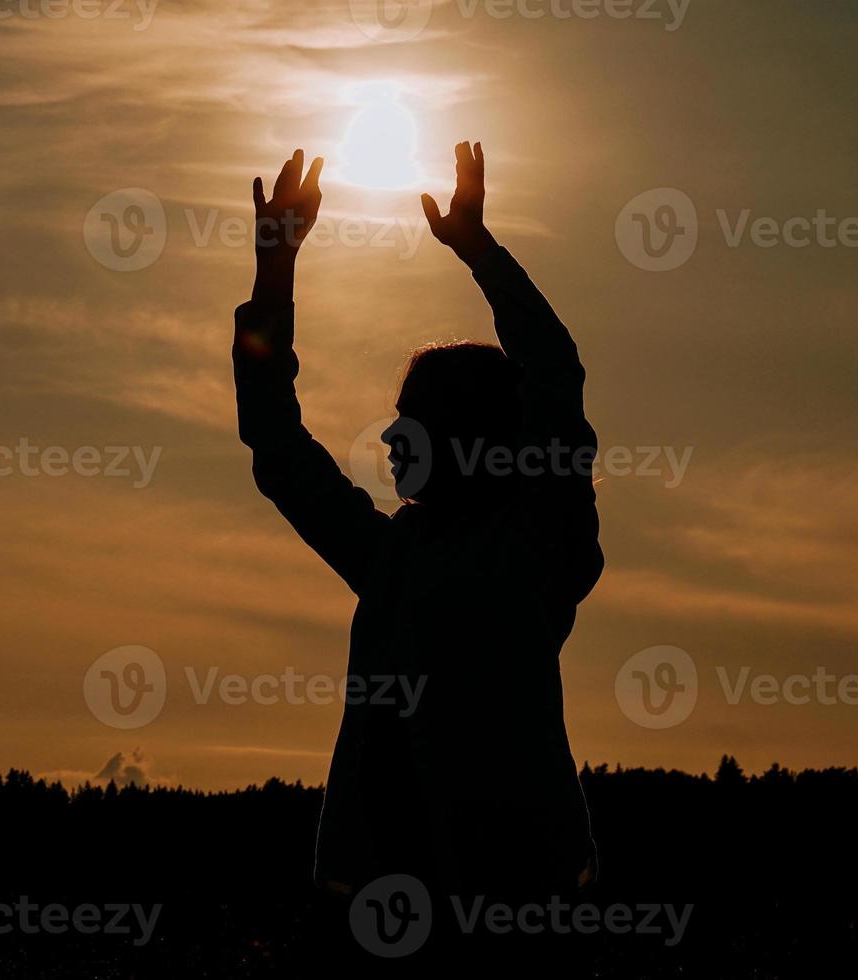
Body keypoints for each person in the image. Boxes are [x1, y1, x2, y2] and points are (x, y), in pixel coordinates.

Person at [233, 143, 604, 969]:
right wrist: (275, 274)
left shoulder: (540, 543)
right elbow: (277, 445)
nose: (394, 438)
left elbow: (554, 376)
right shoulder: (395, 554)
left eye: (415, 420)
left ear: (474, 437)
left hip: (513, 915)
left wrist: (479, 250)